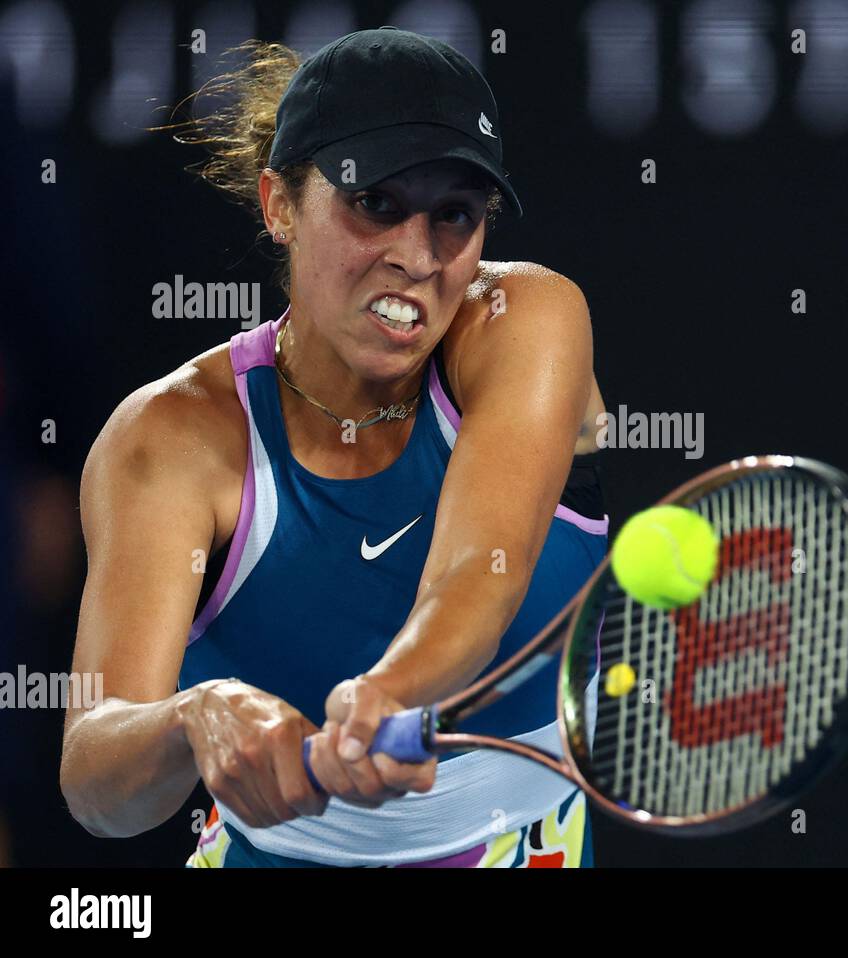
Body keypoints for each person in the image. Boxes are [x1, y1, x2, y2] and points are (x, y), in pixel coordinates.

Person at [60, 27, 611, 867]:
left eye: (454, 216)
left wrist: (383, 697)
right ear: (279, 203)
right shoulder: (168, 439)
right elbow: (96, 783)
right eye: (376, 204)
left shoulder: (526, 324)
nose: (417, 258)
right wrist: (193, 717)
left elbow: (477, 577)